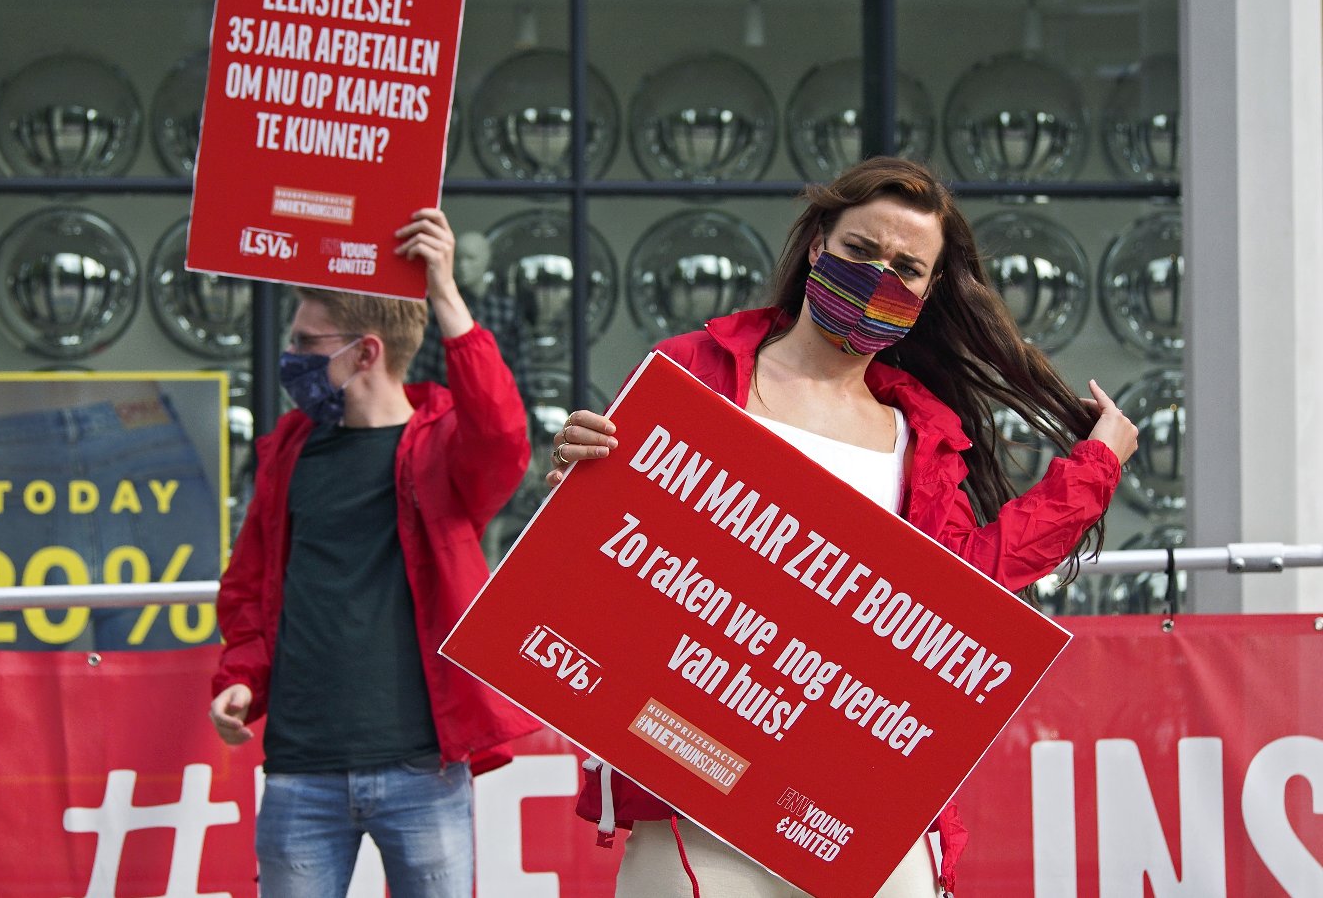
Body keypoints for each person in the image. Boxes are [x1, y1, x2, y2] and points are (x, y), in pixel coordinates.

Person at [544, 158, 1138, 898]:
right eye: (862, 252)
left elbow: (966, 584)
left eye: (906, 267)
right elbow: (610, 557)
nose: (880, 279)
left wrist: (1096, 467)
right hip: (699, 796)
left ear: (928, 292)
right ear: (818, 246)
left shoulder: (923, 436)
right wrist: (583, 478)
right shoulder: (695, 372)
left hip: (861, 809)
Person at [208, 207, 539, 898]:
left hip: (421, 768)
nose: (290, 356)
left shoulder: (441, 448)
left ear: (365, 351)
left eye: (305, 342)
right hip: (301, 770)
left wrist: (445, 291)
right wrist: (241, 678)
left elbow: (504, 438)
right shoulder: (287, 454)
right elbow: (252, 591)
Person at [406, 229, 532, 401]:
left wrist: (522, 406)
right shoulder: (440, 306)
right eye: (458, 258)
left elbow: (520, 366)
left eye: (471, 258)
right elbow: (425, 362)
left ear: (486, 260)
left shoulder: (506, 309)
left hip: (493, 402)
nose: (462, 265)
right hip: (446, 402)